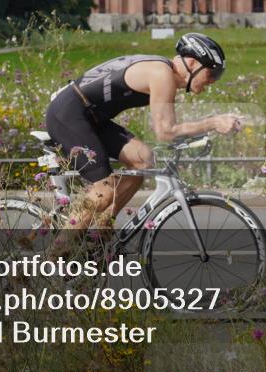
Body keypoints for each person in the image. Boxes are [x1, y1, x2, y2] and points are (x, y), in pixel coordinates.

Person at [45, 33, 241, 249]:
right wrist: (213, 122)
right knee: (105, 189)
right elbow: (165, 132)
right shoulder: (161, 74)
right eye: (212, 72)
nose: (213, 80)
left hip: (91, 116)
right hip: (69, 114)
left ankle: (100, 231)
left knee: (143, 160)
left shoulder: (163, 71)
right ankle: (55, 254)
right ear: (192, 62)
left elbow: (167, 128)